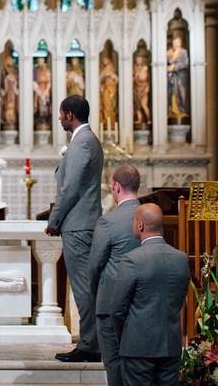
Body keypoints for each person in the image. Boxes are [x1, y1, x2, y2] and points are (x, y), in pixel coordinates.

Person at [46, 94, 103, 363]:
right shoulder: (84, 140)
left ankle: (91, 345)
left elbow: (71, 187)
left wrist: (54, 220)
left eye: (60, 113)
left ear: (70, 115)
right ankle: (94, 343)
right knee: (85, 286)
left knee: (83, 287)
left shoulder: (82, 142)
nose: (58, 118)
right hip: (81, 223)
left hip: (79, 225)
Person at [111, 203, 190, 386]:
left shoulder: (131, 259)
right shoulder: (181, 258)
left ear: (140, 226)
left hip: (137, 348)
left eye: (133, 222)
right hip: (170, 345)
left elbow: (117, 308)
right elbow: (180, 299)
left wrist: (125, 338)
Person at [88, 165, 141, 386]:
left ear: (116, 187)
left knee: (114, 363)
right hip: (140, 303)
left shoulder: (108, 221)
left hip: (110, 302)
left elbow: (94, 266)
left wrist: (97, 295)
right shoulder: (150, 216)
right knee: (137, 364)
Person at [166, 34, 189, 118]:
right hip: (171, 76)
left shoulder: (183, 51)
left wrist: (175, 67)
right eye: (174, 43)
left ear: (180, 43)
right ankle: (172, 110)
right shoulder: (170, 52)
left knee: (181, 92)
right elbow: (170, 61)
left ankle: (181, 110)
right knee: (171, 92)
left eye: (177, 42)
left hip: (180, 75)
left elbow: (186, 63)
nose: (175, 44)